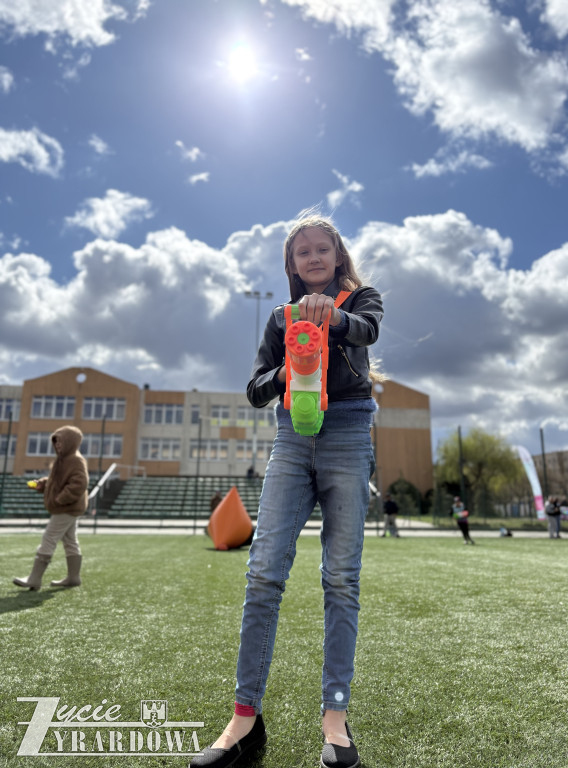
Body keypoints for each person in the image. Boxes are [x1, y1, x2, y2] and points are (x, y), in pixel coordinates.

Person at [190, 212, 384, 768]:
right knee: (263, 573)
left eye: (323, 248)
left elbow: (368, 329)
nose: (314, 257)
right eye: (303, 252)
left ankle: (335, 718)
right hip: (292, 443)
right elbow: (254, 388)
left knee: (341, 578)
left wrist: (333, 320)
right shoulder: (279, 318)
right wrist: (285, 370)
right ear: (292, 264)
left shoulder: (363, 299)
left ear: (339, 256)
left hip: (347, 433)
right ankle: (244, 719)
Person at [13, 425, 89, 590]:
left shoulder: (75, 460)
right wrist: (44, 484)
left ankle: (34, 578)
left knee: (49, 538)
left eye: (61, 441)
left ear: (71, 442)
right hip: (70, 507)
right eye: (56, 442)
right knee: (70, 540)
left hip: (67, 507)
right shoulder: (63, 460)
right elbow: (59, 482)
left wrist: (60, 499)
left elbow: (79, 483)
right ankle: (73, 577)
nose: (58, 445)